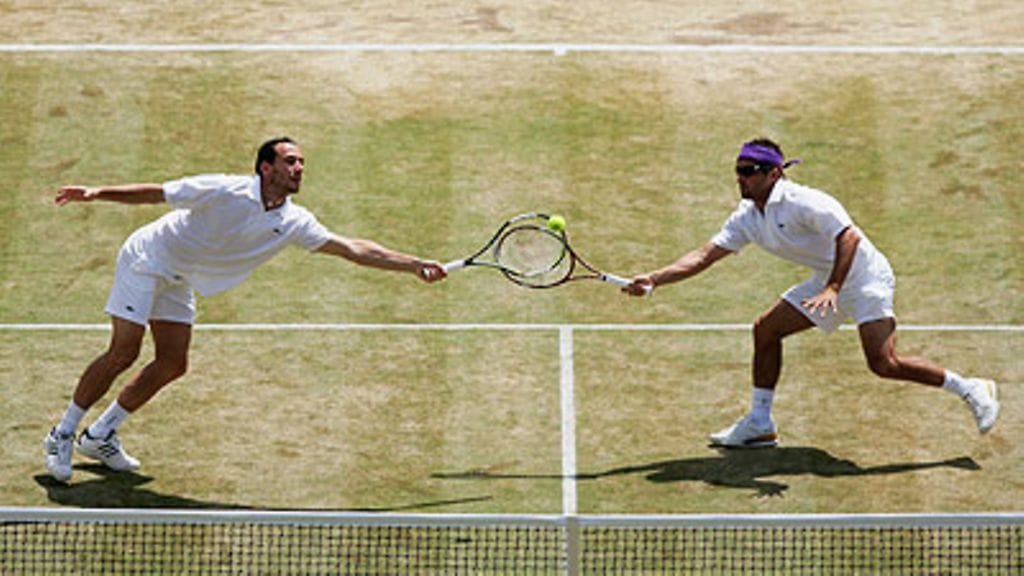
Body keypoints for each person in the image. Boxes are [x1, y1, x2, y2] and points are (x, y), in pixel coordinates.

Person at [43, 136, 447, 482]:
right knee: (125, 351)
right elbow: (159, 192)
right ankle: (62, 433)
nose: (299, 168)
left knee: (171, 363)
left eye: (302, 162)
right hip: (147, 258)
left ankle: (100, 436)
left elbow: (353, 249)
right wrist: (98, 192)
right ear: (265, 168)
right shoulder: (224, 190)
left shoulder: (294, 222)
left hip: (182, 277)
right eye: (290, 161)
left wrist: (413, 264)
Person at [623, 137, 999, 448]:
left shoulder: (805, 201)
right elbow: (705, 255)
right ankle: (759, 422)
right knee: (766, 330)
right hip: (828, 280)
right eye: (738, 171)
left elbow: (848, 236)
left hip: (865, 278)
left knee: (884, 364)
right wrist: (654, 279)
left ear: (774, 173)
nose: (741, 178)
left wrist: (834, 287)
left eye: (749, 172)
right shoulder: (746, 217)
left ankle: (971, 389)